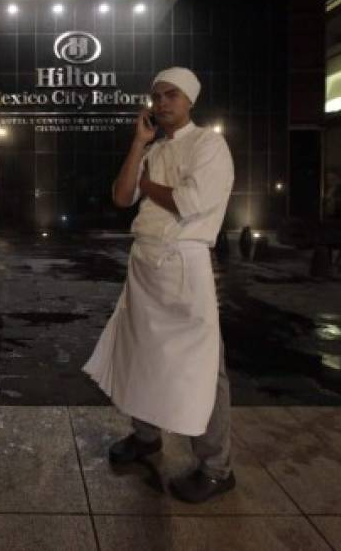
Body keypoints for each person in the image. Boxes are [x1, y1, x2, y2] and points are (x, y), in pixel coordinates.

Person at [83, 67, 236, 505]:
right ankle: (147, 436)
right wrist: (138, 144)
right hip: (146, 263)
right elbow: (121, 196)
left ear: (190, 100)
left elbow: (188, 202)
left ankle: (216, 467)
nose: (163, 103)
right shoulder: (152, 149)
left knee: (203, 366)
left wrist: (149, 185)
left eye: (172, 95)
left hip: (185, 263)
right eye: (157, 96)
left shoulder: (209, 144)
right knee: (141, 353)